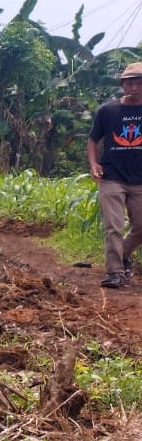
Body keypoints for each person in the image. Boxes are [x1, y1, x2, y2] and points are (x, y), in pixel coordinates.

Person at [89, 61, 142, 287]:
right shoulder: (108, 111)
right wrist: (93, 164)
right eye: (130, 83)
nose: (135, 88)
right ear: (123, 85)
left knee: (141, 226)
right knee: (114, 226)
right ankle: (115, 273)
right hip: (111, 177)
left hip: (139, 179)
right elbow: (93, 140)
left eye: (139, 83)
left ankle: (123, 255)